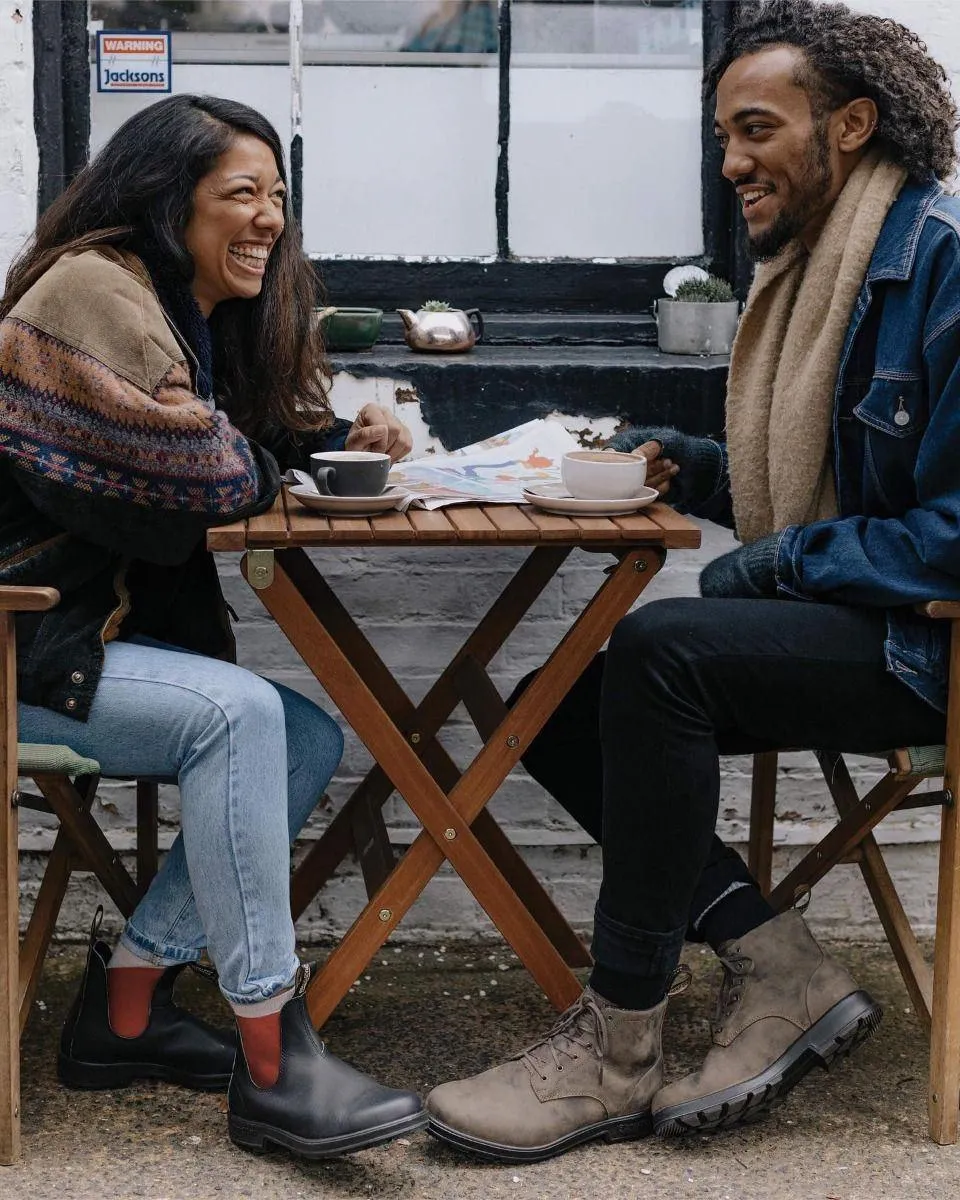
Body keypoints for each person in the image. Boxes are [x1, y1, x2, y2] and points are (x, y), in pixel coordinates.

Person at [426, 0, 960, 1162]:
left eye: (756, 130)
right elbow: (837, 480)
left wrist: (775, 561)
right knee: (552, 710)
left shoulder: (945, 265)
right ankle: (782, 968)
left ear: (854, 125)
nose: (731, 164)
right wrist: (695, 470)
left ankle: (618, 1052)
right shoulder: (823, 267)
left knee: (663, 654)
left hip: (936, 653)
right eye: (723, 136)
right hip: (865, 617)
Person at [0, 93, 425, 1159]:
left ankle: (129, 1008)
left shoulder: (177, 309)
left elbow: (230, 437)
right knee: (238, 720)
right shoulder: (90, 290)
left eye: (278, 196)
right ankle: (274, 1064)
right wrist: (283, 453)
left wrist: (330, 430)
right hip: (25, 649)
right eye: (242, 193)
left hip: (79, 640)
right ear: (163, 198)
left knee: (304, 734)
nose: (270, 219)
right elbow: (203, 467)